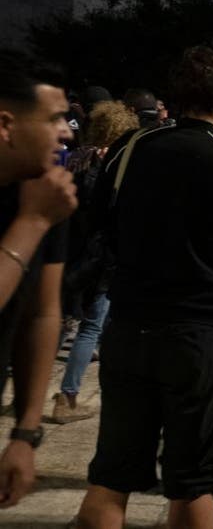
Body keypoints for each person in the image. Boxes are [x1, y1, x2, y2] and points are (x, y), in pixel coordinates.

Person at [75, 46, 213, 529]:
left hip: (130, 323)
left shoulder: (132, 146)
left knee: (111, 476)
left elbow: (98, 219)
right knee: (191, 482)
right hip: (198, 334)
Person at [0, 50, 76, 508]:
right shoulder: (38, 208)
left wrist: (26, 432)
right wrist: (30, 223)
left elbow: (44, 311)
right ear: (7, 124)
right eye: (54, 119)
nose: (66, 131)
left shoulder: (42, 193)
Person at [49, 101, 139, 424]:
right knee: (91, 326)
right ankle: (67, 397)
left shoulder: (70, 158)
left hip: (64, 251)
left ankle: (27, 393)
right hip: (97, 258)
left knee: (59, 322)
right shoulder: (113, 167)